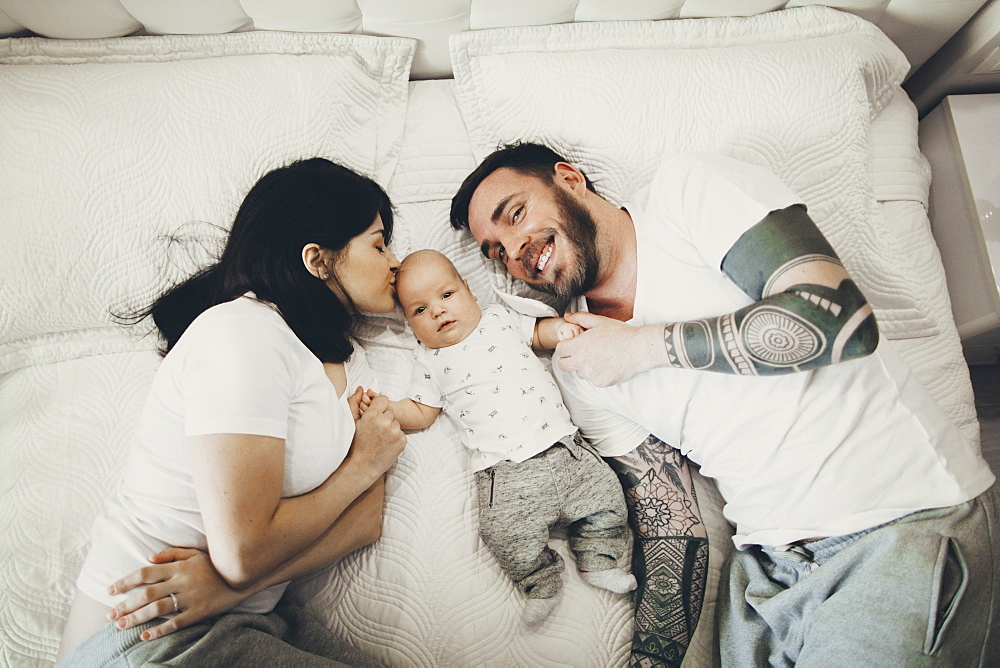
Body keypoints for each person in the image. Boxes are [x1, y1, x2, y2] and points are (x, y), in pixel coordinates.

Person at [450, 142, 999, 666]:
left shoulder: (685, 193)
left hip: (896, 527)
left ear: (569, 179)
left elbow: (838, 319)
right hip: (763, 575)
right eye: (495, 251)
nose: (514, 250)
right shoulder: (579, 360)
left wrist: (642, 347)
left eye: (515, 214)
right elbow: (671, 527)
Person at [57, 157, 408, 666]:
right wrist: (363, 464)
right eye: (378, 244)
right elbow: (242, 553)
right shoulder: (242, 333)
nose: (394, 261)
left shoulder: (308, 360)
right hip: (145, 637)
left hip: (236, 617)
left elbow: (363, 522)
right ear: (318, 259)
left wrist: (226, 590)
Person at [364, 248, 636, 628]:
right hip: (504, 475)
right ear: (410, 324)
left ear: (470, 292)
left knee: (607, 498)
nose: (438, 311)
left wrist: (558, 331)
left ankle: (597, 559)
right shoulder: (429, 360)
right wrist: (386, 408)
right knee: (503, 535)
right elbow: (421, 411)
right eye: (419, 310)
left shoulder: (500, 319)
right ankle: (540, 582)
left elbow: (538, 335)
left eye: (446, 295)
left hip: (564, 447)